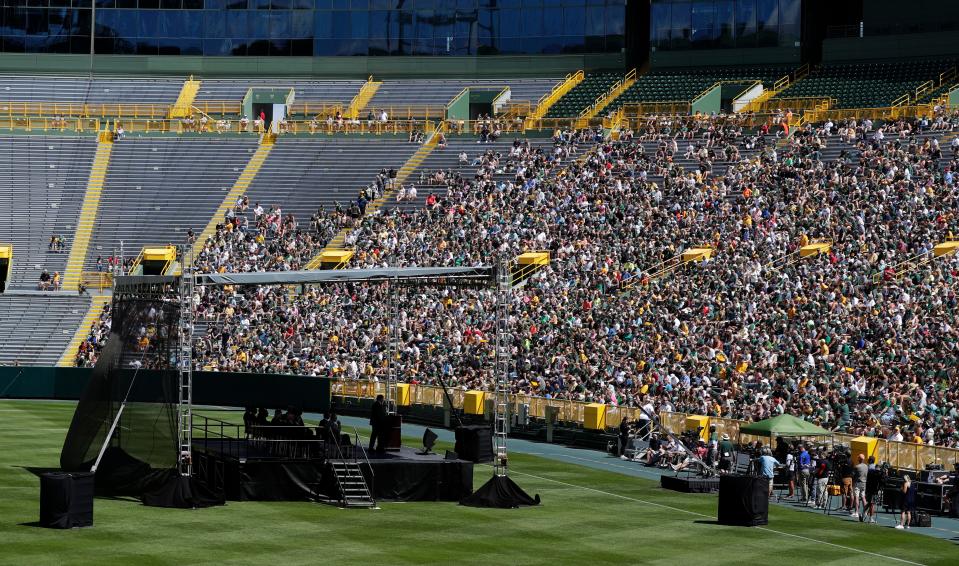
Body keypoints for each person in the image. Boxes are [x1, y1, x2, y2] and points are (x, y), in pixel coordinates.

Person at [851, 453, 868, 519]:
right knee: (863, 497)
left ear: (859, 459)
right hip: (864, 483)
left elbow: (853, 475)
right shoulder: (866, 466)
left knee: (857, 497)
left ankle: (856, 512)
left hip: (858, 483)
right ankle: (865, 512)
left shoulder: (857, 466)